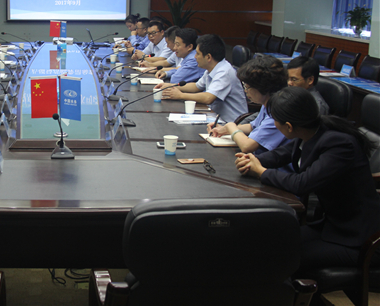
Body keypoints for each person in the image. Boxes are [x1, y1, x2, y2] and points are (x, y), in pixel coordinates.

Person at [235, 87, 380, 272]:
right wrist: (253, 160)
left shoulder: (339, 144)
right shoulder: (310, 131)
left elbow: (302, 183)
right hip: (334, 225)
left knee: (281, 255)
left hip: (360, 238)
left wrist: (261, 172)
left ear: (289, 126)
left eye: (275, 120)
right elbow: (283, 154)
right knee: (269, 241)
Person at [207, 55, 290, 154]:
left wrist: (231, 126)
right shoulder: (266, 103)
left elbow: (247, 146)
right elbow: (253, 126)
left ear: (263, 87)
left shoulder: (278, 110)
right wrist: (224, 129)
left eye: (248, 87)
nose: (245, 91)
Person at [161, 34, 248, 123]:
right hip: (215, 118)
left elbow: (208, 98)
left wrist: (180, 95)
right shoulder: (211, 68)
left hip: (233, 123)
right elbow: (196, 86)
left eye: (198, 54)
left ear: (208, 57)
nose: (195, 57)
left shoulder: (224, 72)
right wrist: (171, 86)